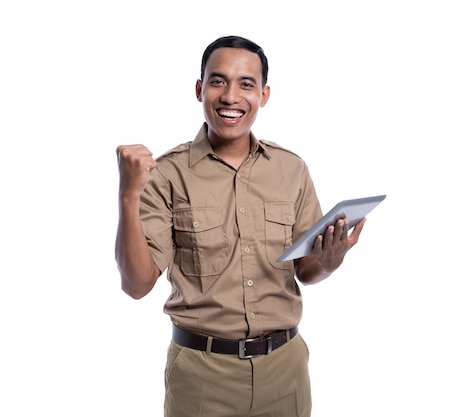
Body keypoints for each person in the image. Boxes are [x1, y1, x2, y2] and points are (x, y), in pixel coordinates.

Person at [114, 35, 366, 417]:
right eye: (218, 81)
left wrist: (330, 261)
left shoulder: (291, 168)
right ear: (200, 89)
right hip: (201, 373)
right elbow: (137, 285)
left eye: (246, 84)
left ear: (263, 95)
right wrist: (129, 196)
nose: (231, 96)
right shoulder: (165, 174)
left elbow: (306, 270)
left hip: (286, 369)